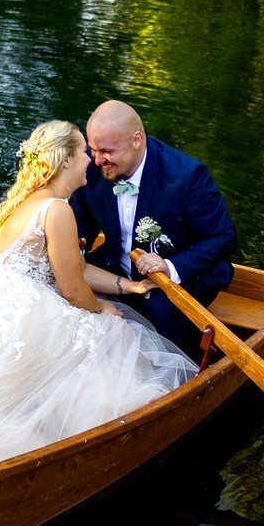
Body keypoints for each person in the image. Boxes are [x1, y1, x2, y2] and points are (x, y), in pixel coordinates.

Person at [0, 120, 199, 482]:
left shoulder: (24, 202)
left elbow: (74, 267)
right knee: (114, 332)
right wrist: (104, 308)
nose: (90, 160)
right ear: (66, 160)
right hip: (18, 310)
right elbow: (71, 289)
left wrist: (127, 286)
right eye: (83, 152)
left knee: (102, 321)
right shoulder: (57, 210)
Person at [70, 100, 237, 356]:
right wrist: (75, 248)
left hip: (182, 278)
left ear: (137, 140)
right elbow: (82, 219)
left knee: (160, 321)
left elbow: (223, 237)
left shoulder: (186, 176)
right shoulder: (95, 168)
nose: (97, 159)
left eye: (106, 151)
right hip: (118, 265)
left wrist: (169, 268)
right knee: (64, 294)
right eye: (93, 149)